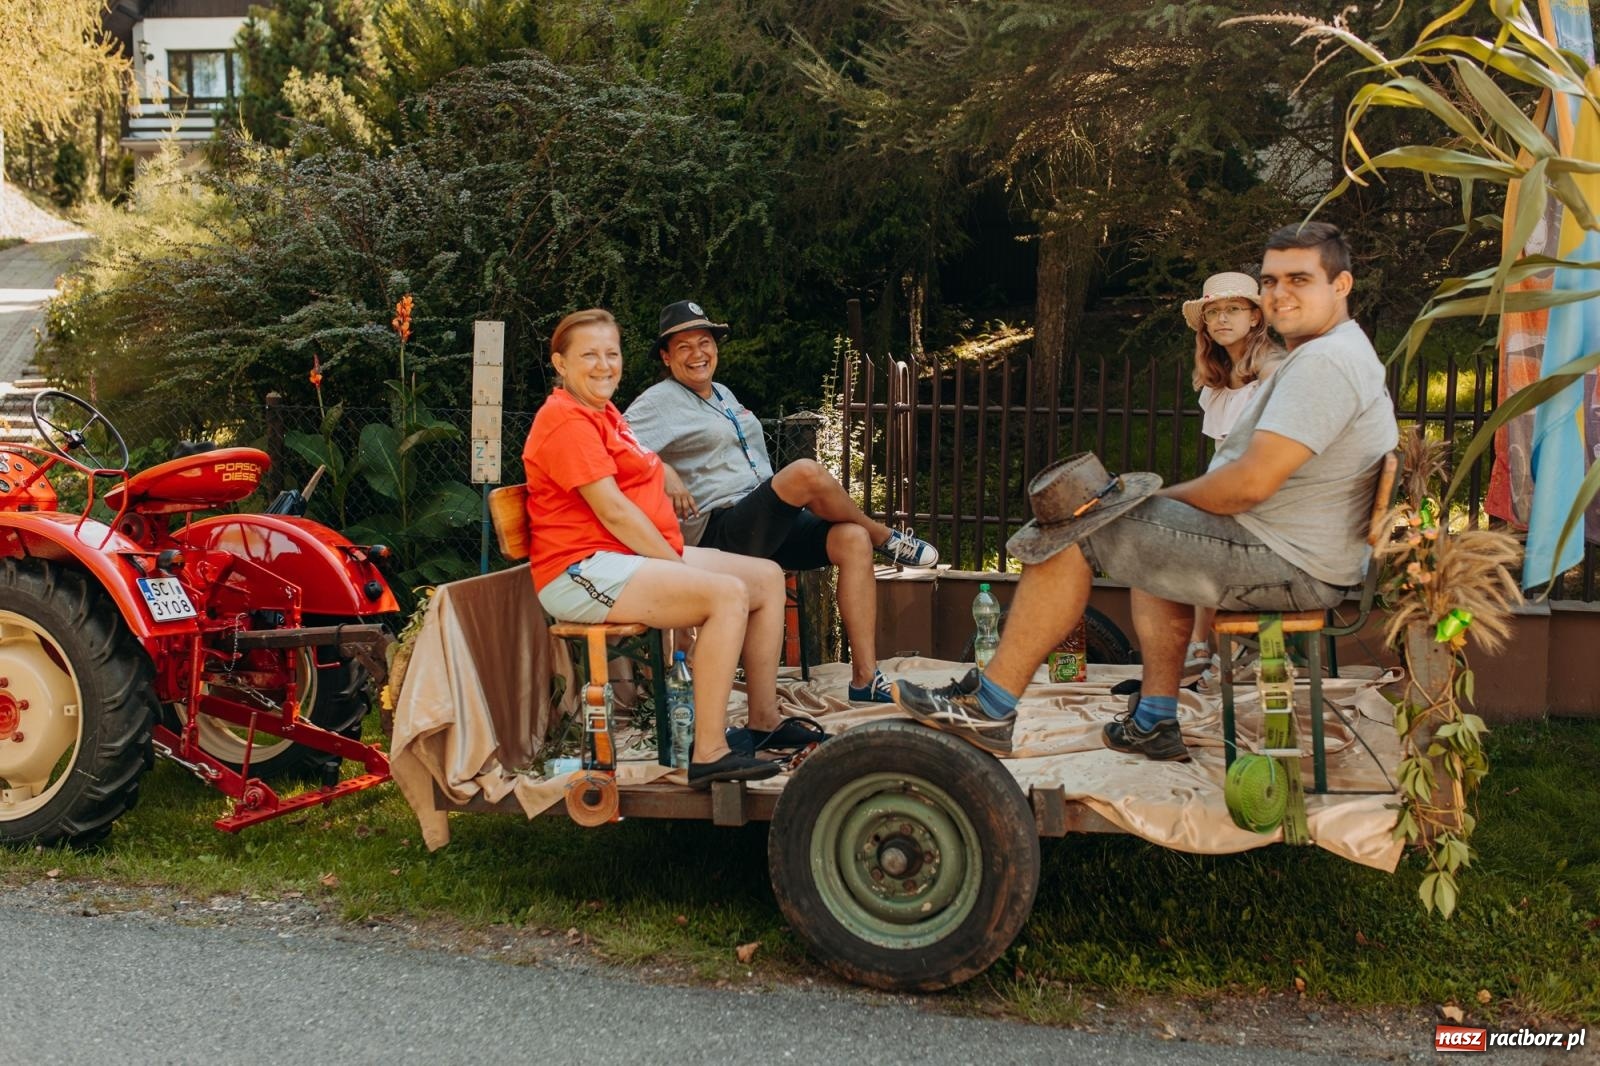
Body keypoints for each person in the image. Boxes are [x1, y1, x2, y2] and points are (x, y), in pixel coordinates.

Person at [893, 221, 1397, 761]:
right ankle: (1155, 720)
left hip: (1288, 563)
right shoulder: (1333, 350)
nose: (1280, 294)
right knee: (1149, 542)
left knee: (1077, 532)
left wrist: (1147, 504)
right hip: (1297, 553)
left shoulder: (1324, 362)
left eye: (1299, 279)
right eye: (1270, 281)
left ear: (1340, 286)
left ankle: (990, 708)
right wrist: (1152, 511)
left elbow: (1249, 484)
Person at [522, 308, 817, 787]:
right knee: (725, 595)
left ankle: (763, 722)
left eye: (611, 353)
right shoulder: (565, 421)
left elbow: (648, 469)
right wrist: (673, 561)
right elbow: (614, 512)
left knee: (763, 577)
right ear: (560, 363)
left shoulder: (604, 413)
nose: (603, 365)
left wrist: (668, 525)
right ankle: (709, 752)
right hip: (580, 570)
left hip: (624, 556)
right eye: (589, 356)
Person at [624, 300, 939, 704]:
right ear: (666, 358)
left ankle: (865, 680)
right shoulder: (659, 401)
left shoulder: (722, 393)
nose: (697, 354)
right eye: (683, 347)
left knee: (851, 539)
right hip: (721, 531)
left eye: (704, 342)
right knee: (805, 472)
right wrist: (663, 470)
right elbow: (615, 444)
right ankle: (886, 537)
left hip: (764, 523)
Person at [1178, 271, 1286, 690]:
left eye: (1233, 309)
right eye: (1213, 312)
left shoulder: (1272, 368)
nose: (1222, 319)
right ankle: (1206, 646)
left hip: (1267, 492)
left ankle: (1211, 646)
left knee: (1201, 534)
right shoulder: (1218, 379)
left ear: (1256, 317)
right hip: (1229, 488)